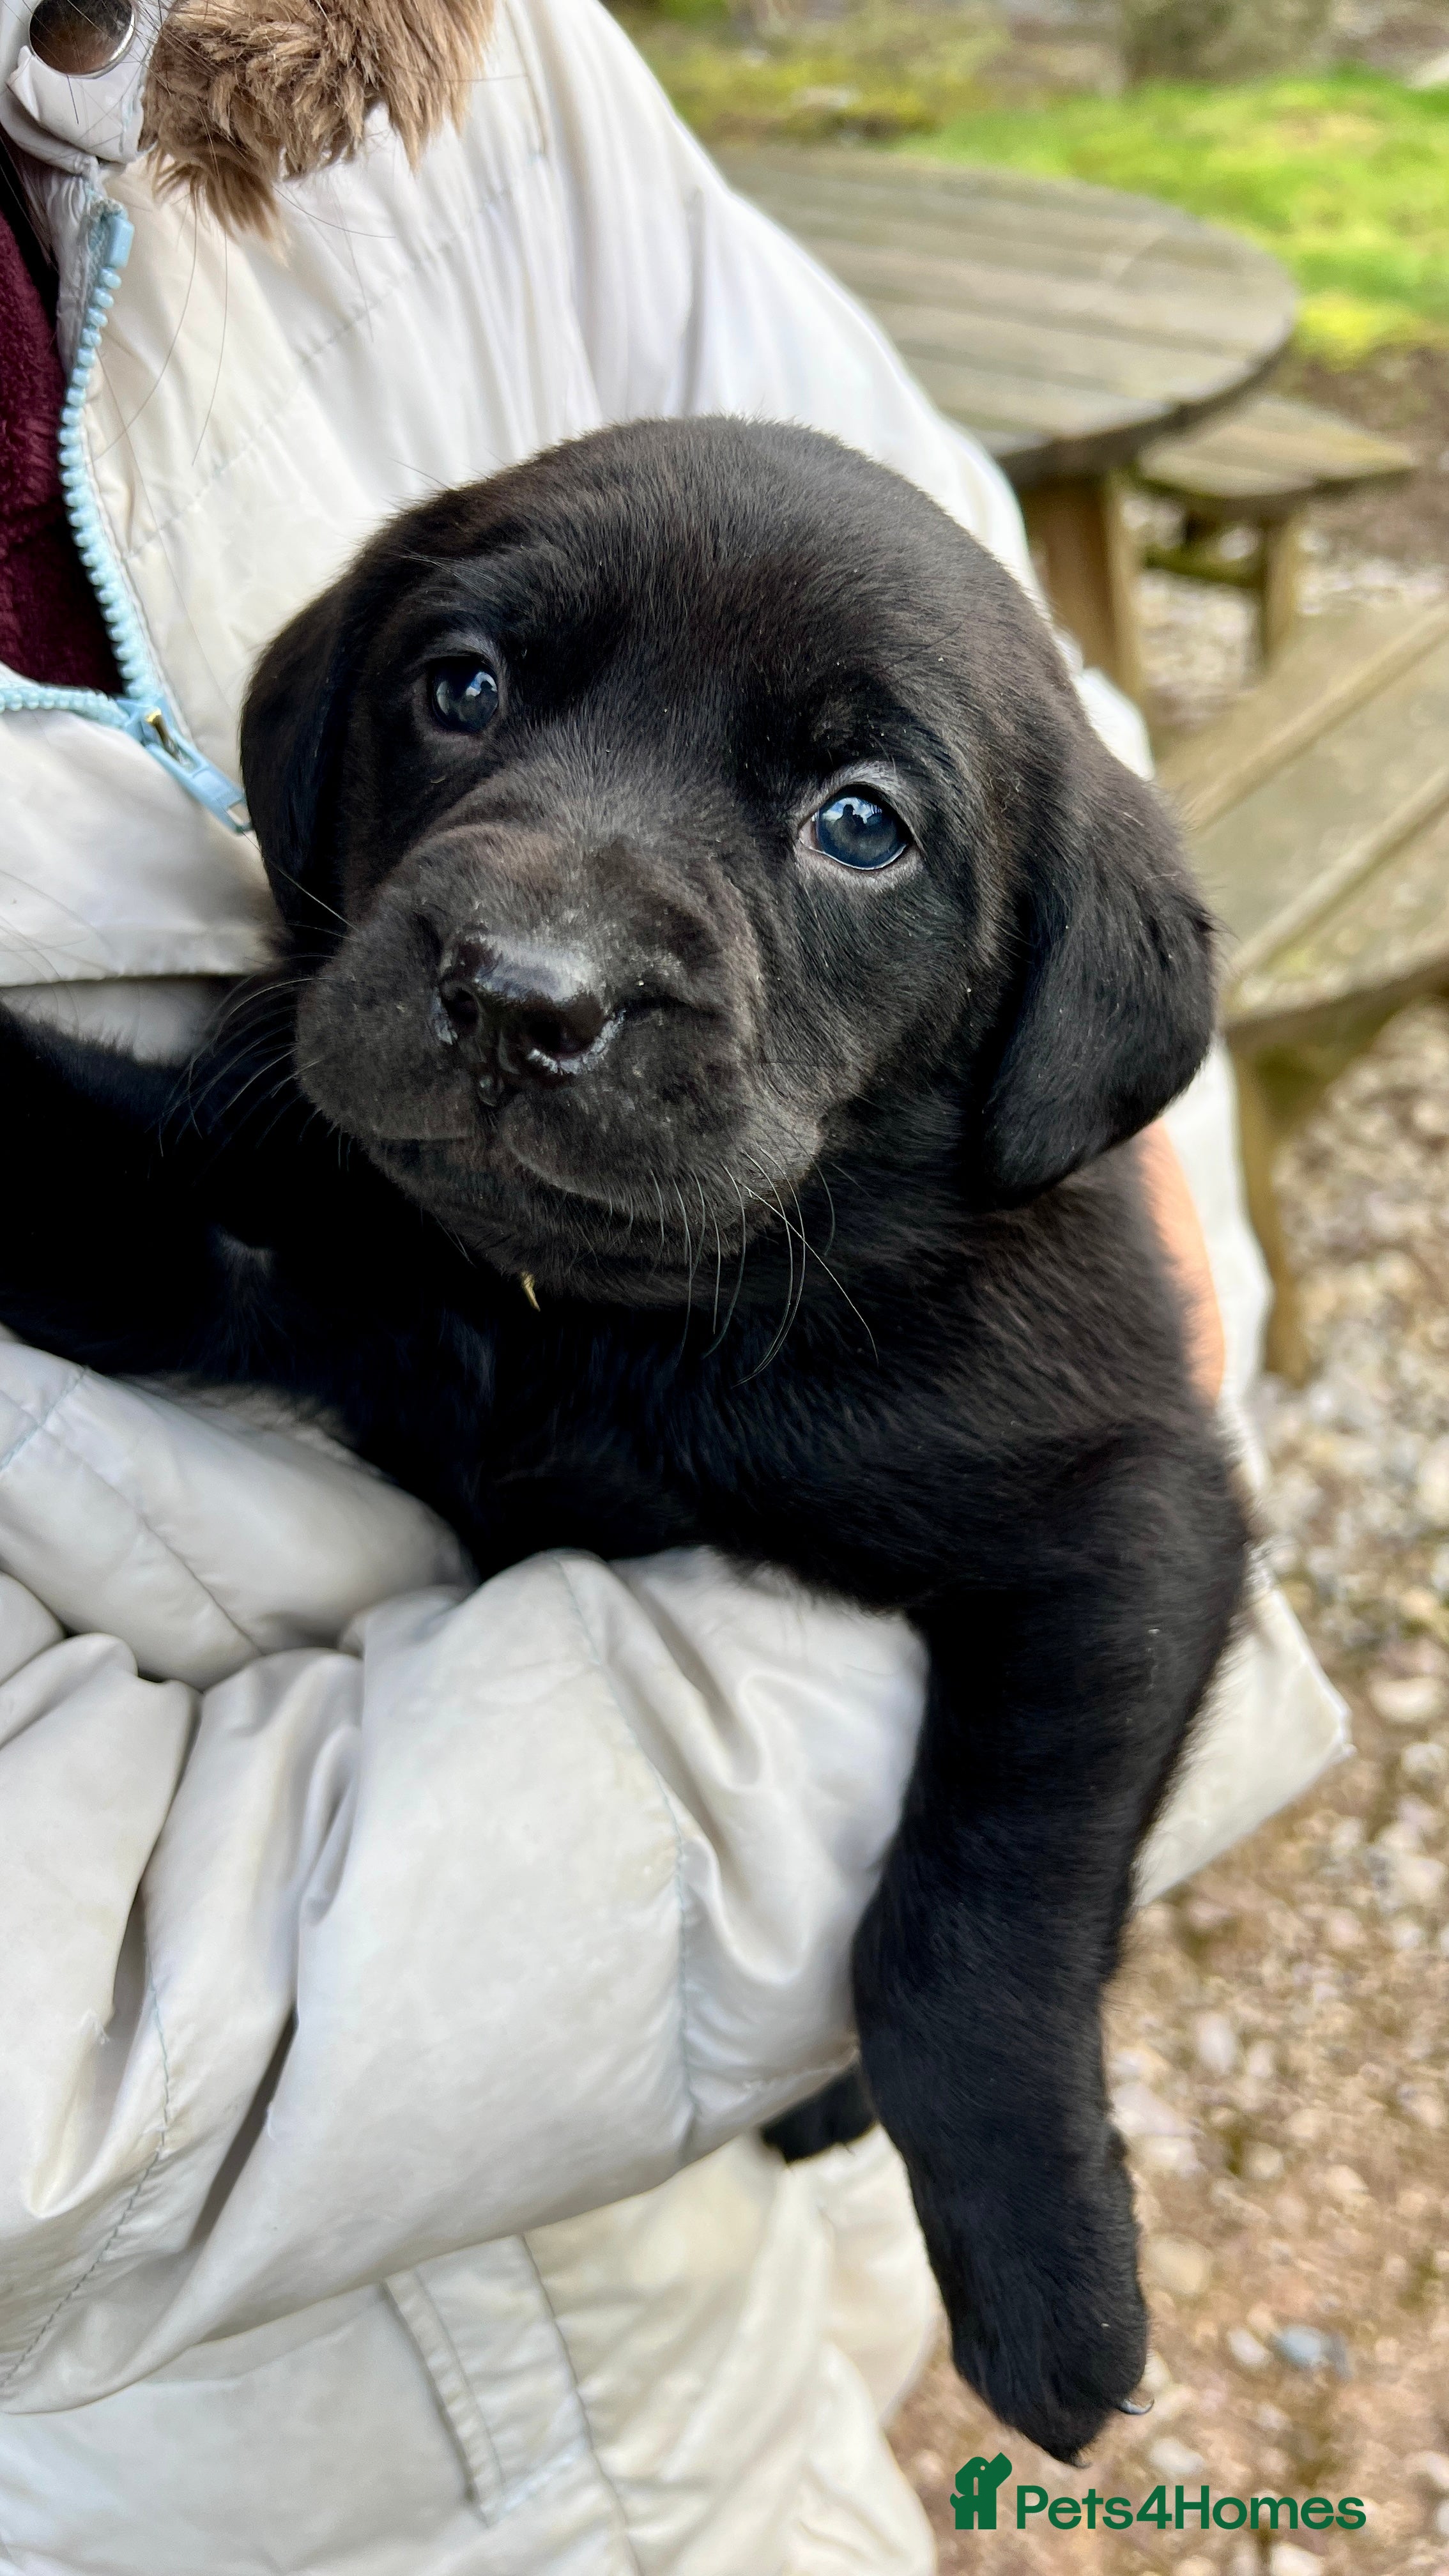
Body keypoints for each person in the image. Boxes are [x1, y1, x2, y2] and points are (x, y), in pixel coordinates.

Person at [0, 2, 1346, 2566]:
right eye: (475, 694)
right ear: (336, 754)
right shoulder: (351, 1107)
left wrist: (974, 2009)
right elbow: (173, 1239)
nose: (525, 924)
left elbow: (1125, 1541)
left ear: (1031, 1016)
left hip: (747, 2273)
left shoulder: (436, 70)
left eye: (858, 818)